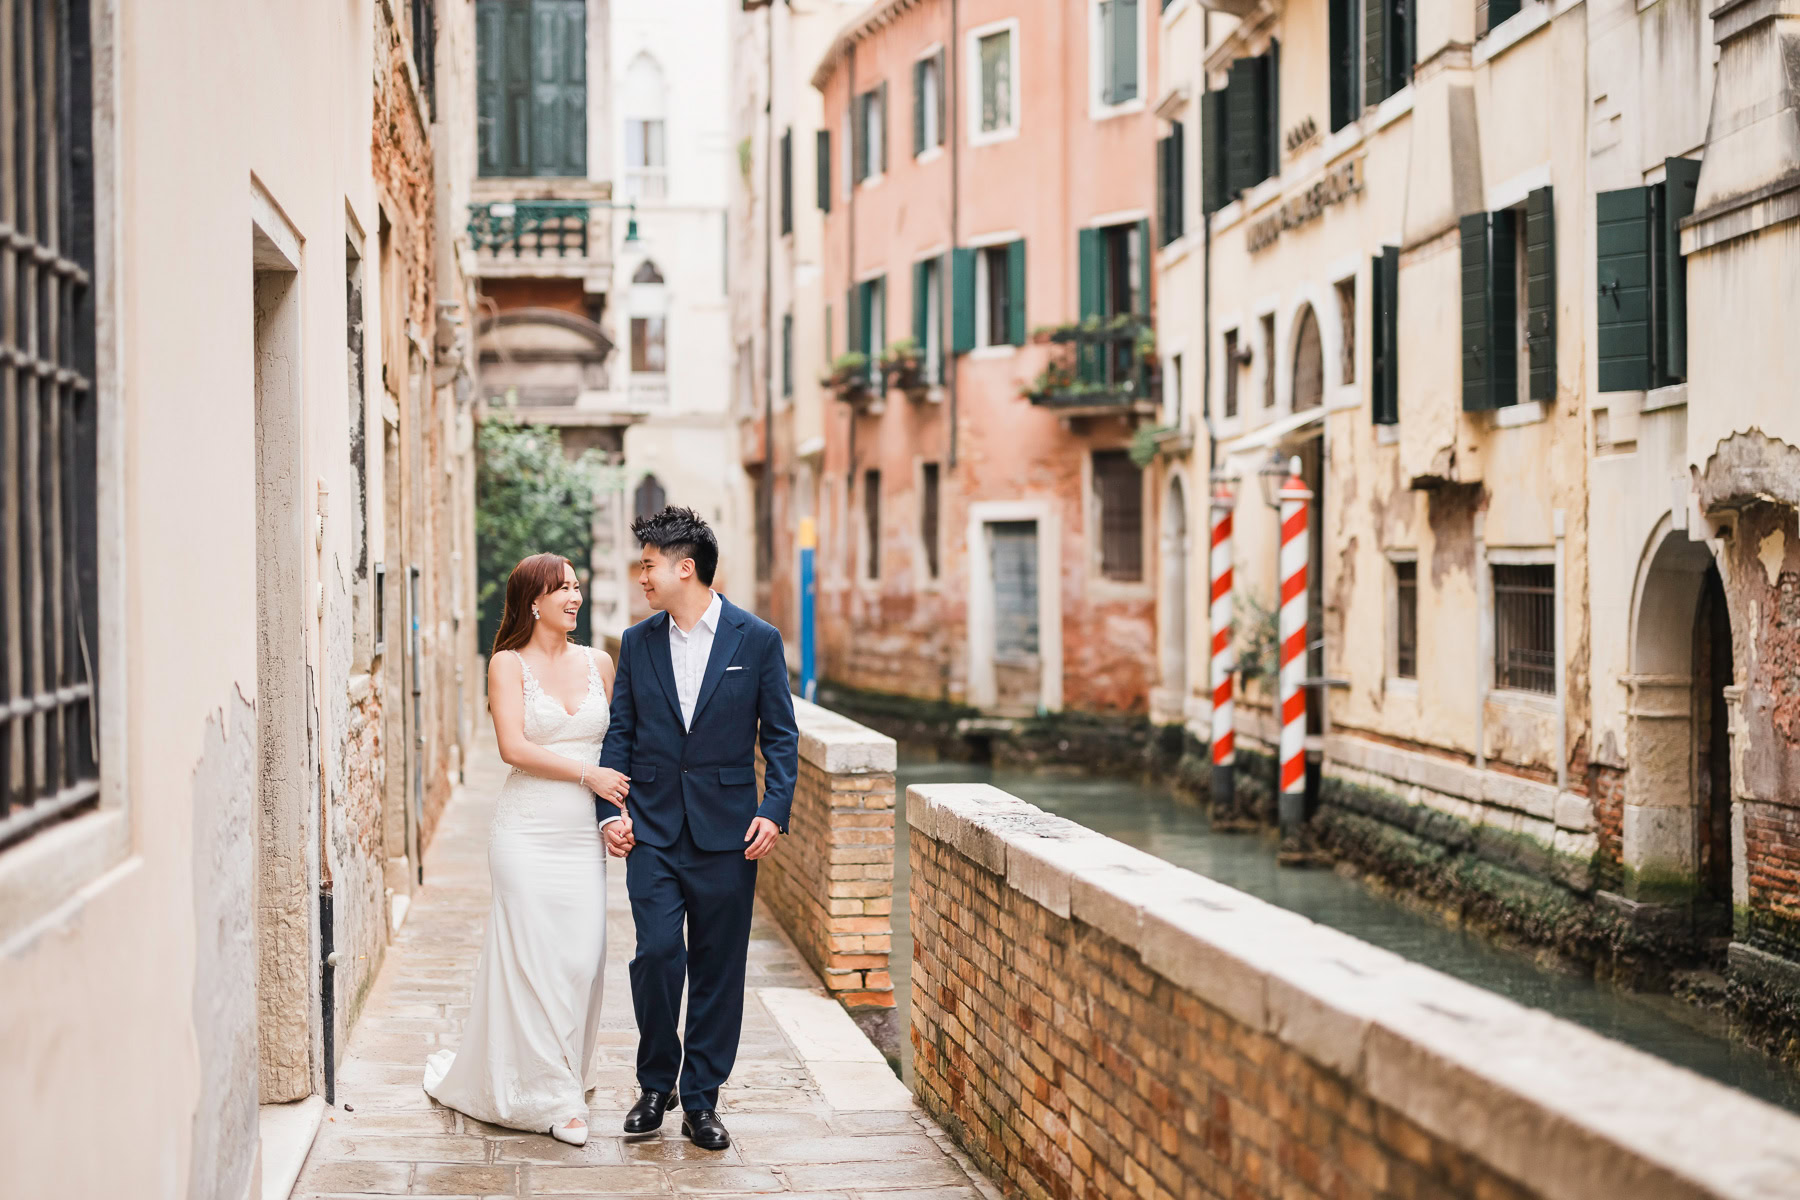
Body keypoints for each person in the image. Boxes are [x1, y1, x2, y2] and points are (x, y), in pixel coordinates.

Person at [596, 506, 800, 1151]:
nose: (642, 577)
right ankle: (655, 1083)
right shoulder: (638, 642)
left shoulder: (757, 639)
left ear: (686, 568)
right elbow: (620, 734)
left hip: (730, 833)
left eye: (649, 565)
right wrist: (611, 812)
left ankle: (702, 1098)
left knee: (718, 966)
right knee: (656, 953)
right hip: (652, 829)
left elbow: (783, 738)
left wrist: (775, 810)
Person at [422, 553, 627, 1147]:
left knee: (582, 961)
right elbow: (513, 747)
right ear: (532, 601)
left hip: (580, 837)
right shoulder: (507, 665)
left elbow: (619, 749)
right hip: (526, 832)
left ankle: (563, 1071)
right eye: (561, 588)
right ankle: (553, 1097)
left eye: (576, 586)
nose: (574, 596)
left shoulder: (601, 663)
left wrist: (618, 815)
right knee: (533, 959)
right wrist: (587, 776)